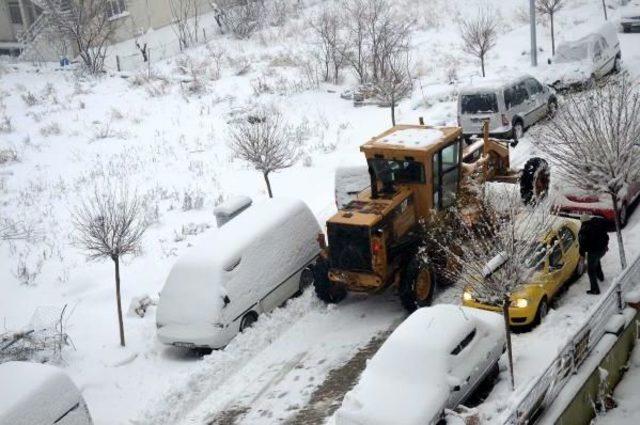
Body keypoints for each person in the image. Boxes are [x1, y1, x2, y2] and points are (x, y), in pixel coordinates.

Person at [578, 215, 609, 295]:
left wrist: (582, 255)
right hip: (603, 249)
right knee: (596, 260)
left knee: (591, 270)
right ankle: (600, 276)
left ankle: (595, 290)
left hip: (594, 251)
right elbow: (605, 234)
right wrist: (605, 246)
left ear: (582, 221)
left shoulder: (583, 230)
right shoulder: (597, 223)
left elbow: (582, 245)